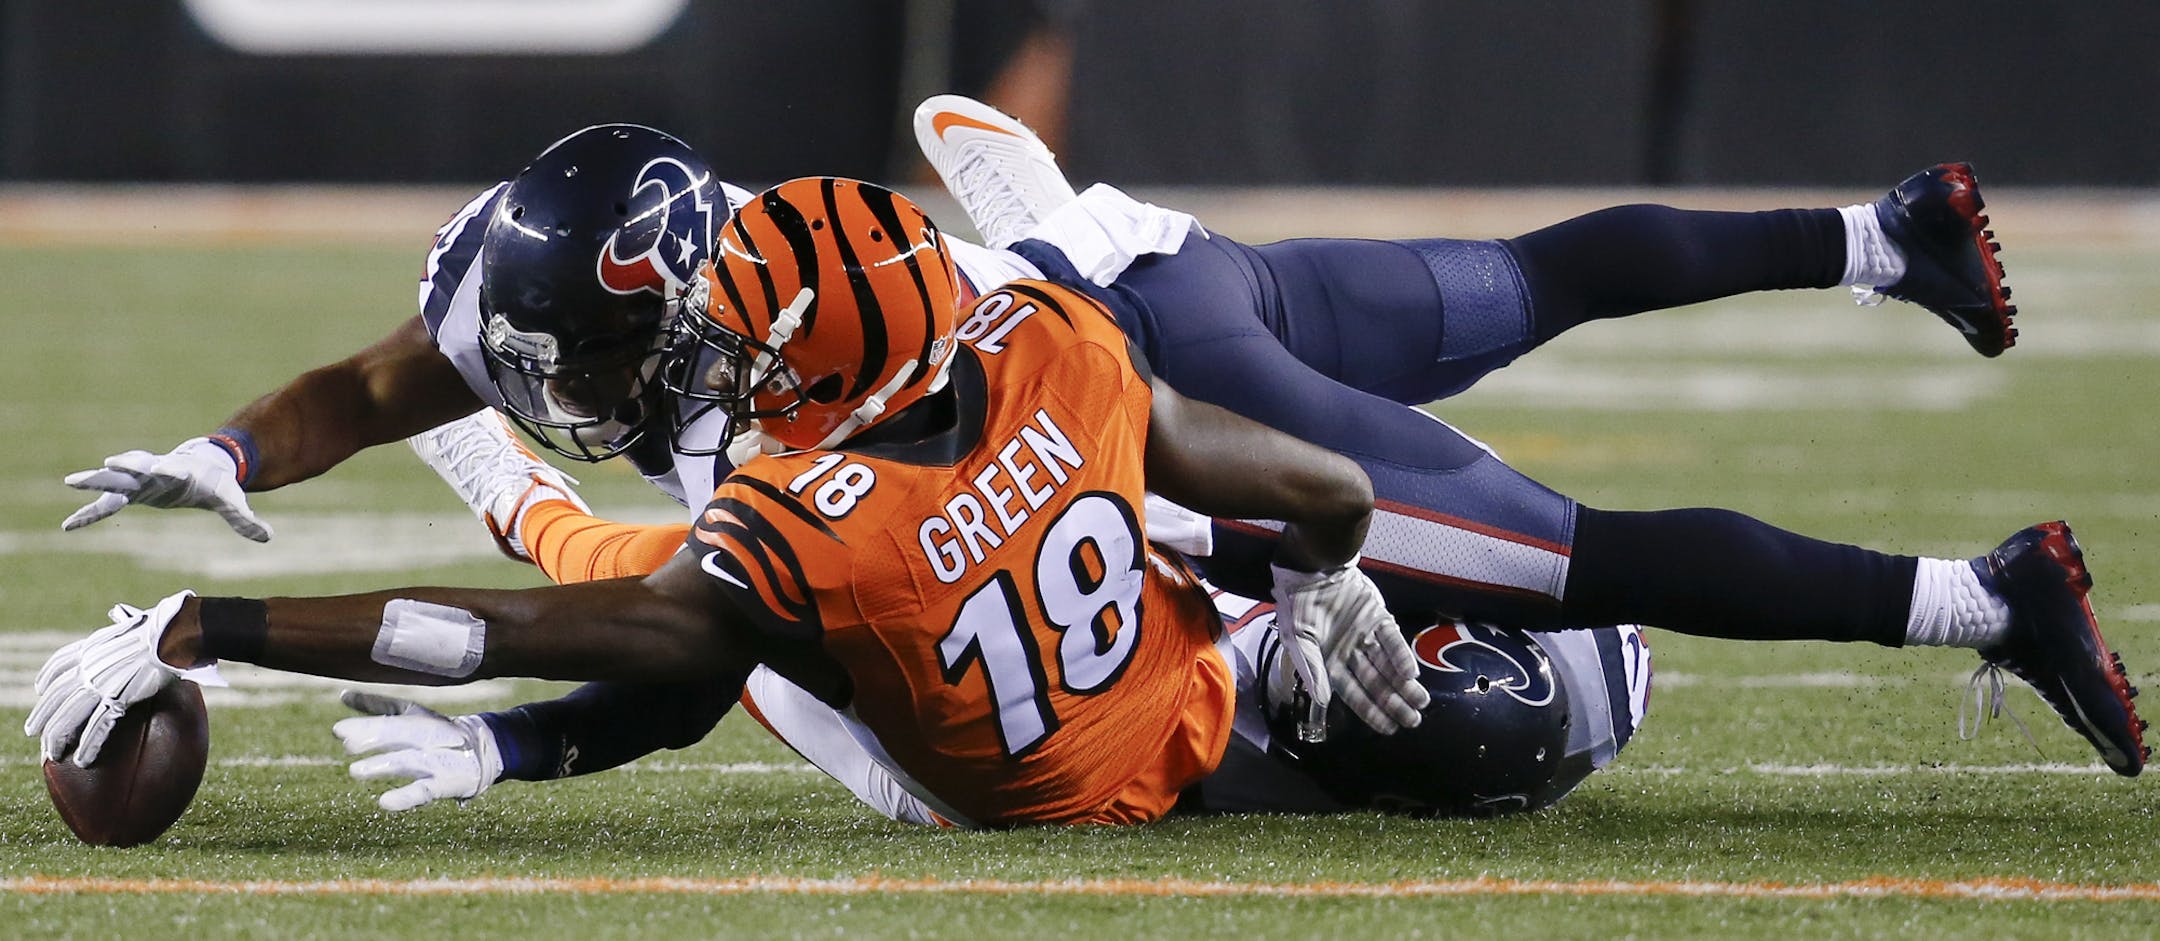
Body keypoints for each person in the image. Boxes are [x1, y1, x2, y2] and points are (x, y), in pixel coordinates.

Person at [51, 105, 2143, 809]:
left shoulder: (782, 505)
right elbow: (435, 387)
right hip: (1143, 303)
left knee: (1564, 572)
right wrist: (247, 449)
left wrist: (1280, 590)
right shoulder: (795, 252)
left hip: (1170, 423)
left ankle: (1983, 592)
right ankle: (1884, 238)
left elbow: (676, 640)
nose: (491, 383)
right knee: (1526, 281)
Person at [28, 178, 1417, 828]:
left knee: (639, 579)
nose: (747, 360)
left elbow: (622, 648)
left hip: (946, 715)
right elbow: (1321, 486)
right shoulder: (1038, 343)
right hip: (1094, 568)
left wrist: (224, 625)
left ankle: (512, 499)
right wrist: (235, 452)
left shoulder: (809, 499)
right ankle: (1072, 233)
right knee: (688, 579)